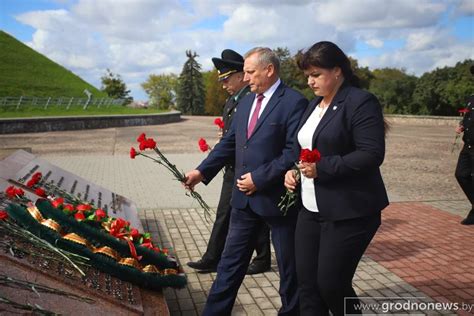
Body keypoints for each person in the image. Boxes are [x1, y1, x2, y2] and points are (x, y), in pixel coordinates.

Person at [185, 47, 308, 315]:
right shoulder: (246, 103)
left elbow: (292, 152)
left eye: (251, 72)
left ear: (270, 70)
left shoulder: (294, 102)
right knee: (229, 265)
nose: (245, 78)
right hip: (243, 201)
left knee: (290, 269)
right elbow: (230, 143)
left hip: (278, 202)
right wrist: (202, 171)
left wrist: (259, 178)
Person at [284, 41, 389, 315]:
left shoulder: (359, 101)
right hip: (310, 209)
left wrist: (323, 168)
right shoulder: (313, 105)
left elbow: (371, 154)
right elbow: (302, 148)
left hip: (349, 210)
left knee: (331, 284)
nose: (310, 81)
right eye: (307, 75)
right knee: (306, 285)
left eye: (316, 74)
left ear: (338, 71)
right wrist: (292, 171)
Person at [187, 49, 271, 274]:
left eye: (226, 78)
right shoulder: (233, 102)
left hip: (249, 169)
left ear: (239, 75)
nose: (223, 84)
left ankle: (254, 258)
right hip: (232, 166)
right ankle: (216, 257)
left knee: (252, 213)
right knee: (229, 213)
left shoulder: (251, 99)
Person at [454, 65, 474, 225]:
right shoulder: (472, 98)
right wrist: (462, 125)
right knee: (461, 174)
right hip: (468, 145)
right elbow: (468, 117)